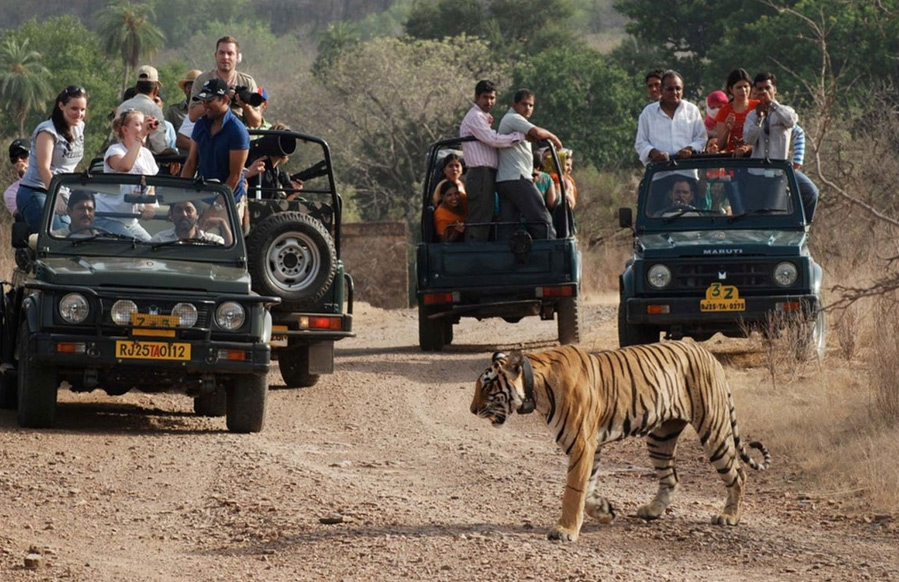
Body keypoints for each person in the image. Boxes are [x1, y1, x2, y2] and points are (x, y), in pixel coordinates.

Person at [743, 71, 819, 221]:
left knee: (809, 193)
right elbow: (749, 139)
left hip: (778, 173)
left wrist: (772, 104)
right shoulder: (752, 115)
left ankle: (801, 226)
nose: (763, 92)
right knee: (757, 216)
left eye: (767, 88)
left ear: (775, 90)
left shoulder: (785, 111)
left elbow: (791, 121)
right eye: (760, 89)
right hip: (756, 173)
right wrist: (759, 118)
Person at [458, 80, 525, 242]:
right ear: (476, 97)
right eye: (485, 97)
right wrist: (518, 136)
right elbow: (492, 139)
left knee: (487, 215)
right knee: (479, 217)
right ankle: (474, 256)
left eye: (492, 98)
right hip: (480, 173)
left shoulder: (483, 117)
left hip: (487, 174)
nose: (489, 102)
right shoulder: (475, 117)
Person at [16, 85, 88, 232]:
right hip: (37, 191)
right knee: (60, 238)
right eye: (74, 109)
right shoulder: (47, 131)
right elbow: (44, 168)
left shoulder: (79, 127)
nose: (79, 114)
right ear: (61, 105)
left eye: (82, 110)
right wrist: (57, 195)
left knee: (78, 235)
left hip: (63, 192)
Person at [496, 88, 563, 241]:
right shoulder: (513, 118)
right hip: (516, 178)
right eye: (524, 104)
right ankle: (552, 254)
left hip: (506, 180)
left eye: (531, 105)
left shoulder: (517, 122)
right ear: (514, 104)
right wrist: (554, 137)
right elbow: (538, 133)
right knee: (542, 219)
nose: (527, 108)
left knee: (508, 225)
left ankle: (506, 262)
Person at [181, 78, 251, 225]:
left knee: (219, 242)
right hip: (202, 195)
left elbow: (234, 177)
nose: (205, 106)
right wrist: (182, 198)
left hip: (228, 201)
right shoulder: (201, 124)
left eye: (209, 101)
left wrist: (214, 210)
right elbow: (191, 163)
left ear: (225, 99)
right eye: (202, 101)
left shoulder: (237, 131)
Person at [98, 109, 160, 240]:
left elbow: (151, 185)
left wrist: (149, 206)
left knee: (151, 246)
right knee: (133, 245)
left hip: (131, 221)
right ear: (125, 130)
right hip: (107, 216)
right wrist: (140, 136)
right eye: (138, 124)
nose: (142, 127)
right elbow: (125, 166)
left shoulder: (147, 155)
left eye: (144, 124)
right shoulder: (114, 150)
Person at [634, 70, 707, 166]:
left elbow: (701, 138)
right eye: (670, 89)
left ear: (683, 90)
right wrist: (652, 152)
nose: (674, 92)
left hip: (687, 170)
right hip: (659, 172)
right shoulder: (648, 113)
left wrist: (690, 149)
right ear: (661, 90)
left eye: (678, 88)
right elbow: (640, 142)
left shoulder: (692, 110)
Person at [188, 36, 262, 128]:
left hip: (238, 135)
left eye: (230, 53)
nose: (225, 57)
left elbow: (256, 123)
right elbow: (192, 116)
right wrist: (216, 98)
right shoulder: (202, 80)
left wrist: (245, 106)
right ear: (216, 55)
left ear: (237, 57)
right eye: (221, 53)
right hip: (210, 136)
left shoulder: (247, 82)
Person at [115, 65, 171, 156]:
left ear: (136, 88)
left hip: (120, 159)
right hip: (143, 161)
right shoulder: (154, 109)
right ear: (156, 90)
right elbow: (159, 146)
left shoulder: (122, 107)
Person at [244, 123, 303, 200]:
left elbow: (275, 207)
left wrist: (292, 195)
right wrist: (247, 173)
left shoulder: (276, 174)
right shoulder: (251, 161)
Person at [715, 68, 758, 156]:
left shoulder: (758, 107)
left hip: (755, 160)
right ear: (731, 89)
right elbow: (720, 146)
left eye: (746, 86)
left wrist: (747, 148)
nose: (743, 90)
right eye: (739, 87)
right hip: (733, 162)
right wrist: (727, 130)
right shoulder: (724, 111)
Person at [150, 199, 231, 245]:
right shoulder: (159, 240)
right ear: (172, 215)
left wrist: (222, 223)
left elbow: (230, 254)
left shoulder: (212, 241)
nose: (184, 214)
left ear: (197, 214)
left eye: (189, 210)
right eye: (178, 210)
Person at [167, 68, 202, 152]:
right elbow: (167, 137)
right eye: (190, 86)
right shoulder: (174, 111)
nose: (193, 90)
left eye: (196, 86)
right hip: (181, 160)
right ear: (185, 89)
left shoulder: (209, 111)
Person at [3, 138, 29, 217]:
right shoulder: (11, 192)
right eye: (14, 158)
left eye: (23, 155)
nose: (19, 160)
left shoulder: (50, 176)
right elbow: (23, 218)